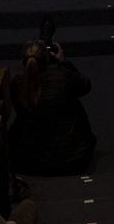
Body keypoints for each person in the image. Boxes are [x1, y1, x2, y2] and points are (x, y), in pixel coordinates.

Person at [8, 40, 96, 175]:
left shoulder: (17, 82)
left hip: (31, 162)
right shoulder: (63, 75)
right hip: (71, 160)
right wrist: (63, 62)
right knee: (74, 103)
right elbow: (85, 85)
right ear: (48, 58)